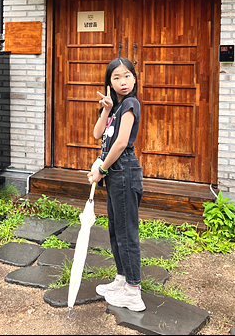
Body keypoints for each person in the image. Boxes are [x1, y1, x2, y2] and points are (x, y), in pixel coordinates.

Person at [88, 57, 145, 312]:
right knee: (115, 230)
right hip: (116, 174)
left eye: (127, 76)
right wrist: (106, 109)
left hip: (125, 172)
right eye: (116, 77)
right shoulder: (117, 107)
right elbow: (97, 134)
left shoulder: (131, 104)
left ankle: (133, 291)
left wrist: (101, 170)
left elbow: (121, 143)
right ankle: (122, 279)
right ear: (109, 83)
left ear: (134, 78)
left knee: (126, 232)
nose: (123, 81)